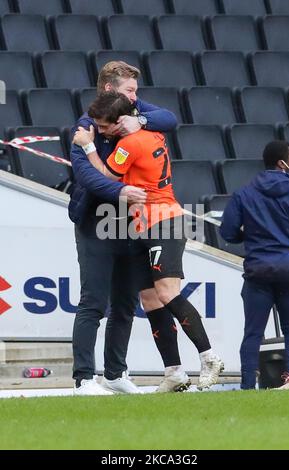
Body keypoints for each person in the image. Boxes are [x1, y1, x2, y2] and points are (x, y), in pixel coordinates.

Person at [73, 91, 224, 392]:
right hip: (145, 225)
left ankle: (209, 357)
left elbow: (106, 174)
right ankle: (174, 372)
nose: (101, 131)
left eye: (104, 127)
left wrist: (88, 146)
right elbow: (164, 119)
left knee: (167, 294)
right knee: (150, 299)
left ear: (120, 123)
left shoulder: (130, 143)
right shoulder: (151, 132)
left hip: (163, 222)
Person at [70, 61, 179, 395]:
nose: (136, 96)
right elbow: (85, 176)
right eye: (130, 90)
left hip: (131, 222)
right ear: (109, 88)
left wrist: (140, 120)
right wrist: (119, 190)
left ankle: (115, 374)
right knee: (93, 301)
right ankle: (84, 378)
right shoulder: (87, 126)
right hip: (97, 218)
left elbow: (170, 119)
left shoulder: (132, 112)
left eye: (135, 90)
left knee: (124, 304)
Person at [220, 140, 289, 390]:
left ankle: (247, 384)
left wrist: (252, 235)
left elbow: (228, 232)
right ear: (282, 162)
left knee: (253, 332)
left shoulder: (244, 193)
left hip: (258, 271)